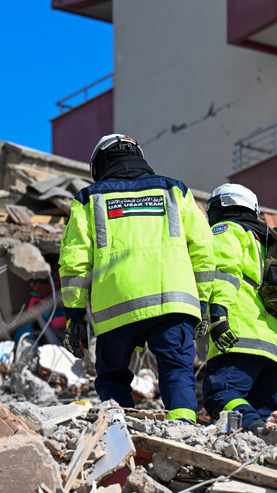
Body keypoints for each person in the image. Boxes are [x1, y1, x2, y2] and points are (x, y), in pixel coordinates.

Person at [59, 133, 214, 423]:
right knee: (177, 368)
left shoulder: (89, 199)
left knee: (112, 374)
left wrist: (74, 315)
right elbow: (204, 248)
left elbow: (74, 263)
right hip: (173, 303)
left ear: (99, 165)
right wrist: (203, 302)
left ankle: (120, 428)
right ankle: (183, 426)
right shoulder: (174, 191)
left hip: (116, 308)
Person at [202, 183, 277, 435]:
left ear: (219, 207)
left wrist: (218, 314)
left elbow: (225, 272)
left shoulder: (229, 229)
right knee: (266, 413)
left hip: (241, 336)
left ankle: (251, 428)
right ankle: (260, 454)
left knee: (221, 393)